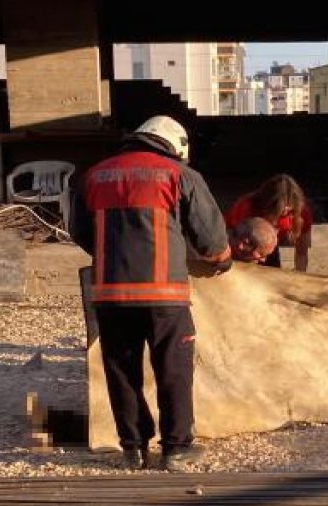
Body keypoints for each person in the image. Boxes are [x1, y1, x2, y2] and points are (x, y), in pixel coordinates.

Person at [73, 115, 232, 472]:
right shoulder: (180, 176)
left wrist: (112, 253)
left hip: (110, 294)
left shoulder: (94, 175)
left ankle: (133, 449)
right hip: (166, 296)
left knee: (121, 370)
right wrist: (222, 261)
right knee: (173, 370)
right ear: (175, 145)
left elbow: (80, 231)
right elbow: (211, 241)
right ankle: (176, 449)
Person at [224, 174, 313, 271]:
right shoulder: (247, 207)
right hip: (241, 248)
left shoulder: (301, 212)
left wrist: (299, 277)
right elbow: (232, 239)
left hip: (267, 248)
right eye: (278, 210)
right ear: (266, 204)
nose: (284, 213)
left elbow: (302, 252)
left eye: (289, 211)